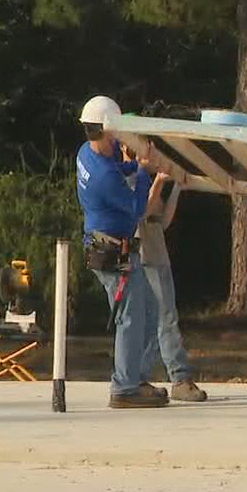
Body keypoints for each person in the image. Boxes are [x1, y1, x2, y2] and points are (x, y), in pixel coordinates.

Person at [76, 95, 167, 409]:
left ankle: (135, 378)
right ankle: (125, 388)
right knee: (130, 318)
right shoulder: (103, 177)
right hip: (112, 253)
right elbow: (137, 208)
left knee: (149, 312)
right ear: (105, 130)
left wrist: (133, 162)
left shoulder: (88, 152)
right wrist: (143, 171)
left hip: (113, 247)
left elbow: (119, 165)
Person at [138, 172, 208, 401]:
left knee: (164, 320)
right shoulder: (127, 179)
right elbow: (141, 212)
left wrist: (177, 187)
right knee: (162, 321)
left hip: (159, 258)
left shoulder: (145, 180)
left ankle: (149, 379)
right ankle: (177, 378)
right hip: (145, 259)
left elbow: (161, 221)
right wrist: (160, 181)